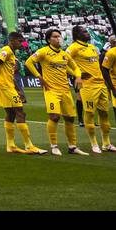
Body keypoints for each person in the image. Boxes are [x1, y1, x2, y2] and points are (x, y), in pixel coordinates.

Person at [27, 28, 87, 156]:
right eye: (55, 36)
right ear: (49, 40)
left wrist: (78, 76)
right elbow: (29, 62)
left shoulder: (65, 54)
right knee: (54, 116)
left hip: (65, 90)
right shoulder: (43, 52)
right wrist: (39, 77)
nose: (58, 38)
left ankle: (72, 146)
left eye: (59, 36)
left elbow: (75, 67)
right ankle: (54, 146)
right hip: (51, 90)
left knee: (70, 118)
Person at [65, 25, 115, 154]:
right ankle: (94, 143)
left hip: (101, 85)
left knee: (104, 114)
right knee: (90, 114)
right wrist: (78, 74)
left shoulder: (93, 48)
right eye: (84, 31)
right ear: (77, 35)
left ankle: (106, 143)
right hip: (88, 86)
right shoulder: (73, 48)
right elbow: (62, 62)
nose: (87, 33)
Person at [0, 31, 46, 154]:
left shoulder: (12, 54)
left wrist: (18, 90)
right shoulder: (6, 50)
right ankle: (29, 145)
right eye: (19, 41)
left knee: (11, 114)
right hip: (5, 87)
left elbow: (10, 74)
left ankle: (10, 145)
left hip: (10, 86)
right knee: (20, 112)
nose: (22, 44)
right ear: (12, 40)